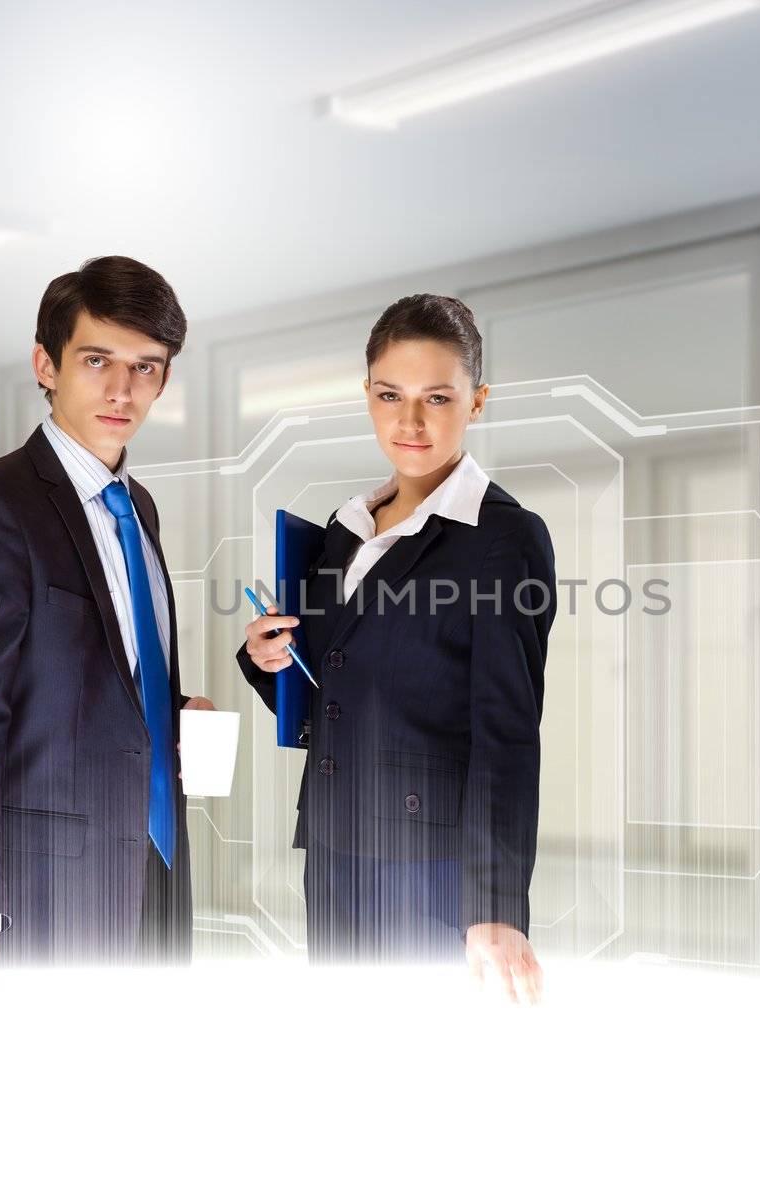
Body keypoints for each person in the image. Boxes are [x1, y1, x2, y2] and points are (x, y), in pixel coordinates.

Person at [0, 255, 216, 1006]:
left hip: (157, 861)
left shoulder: (138, 507)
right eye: (97, 360)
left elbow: (89, 681)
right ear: (46, 365)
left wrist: (170, 720)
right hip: (45, 882)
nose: (123, 389)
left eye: (147, 367)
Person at [237, 294, 555, 1001]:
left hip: (431, 868)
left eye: (437, 396)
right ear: (368, 397)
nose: (410, 420)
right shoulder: (344, 528)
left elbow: (506, 732)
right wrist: (266, 660)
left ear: (476, 403)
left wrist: (497, 906)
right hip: (332, 846)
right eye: (390, 394)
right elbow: (335, 683)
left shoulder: (505, 537)